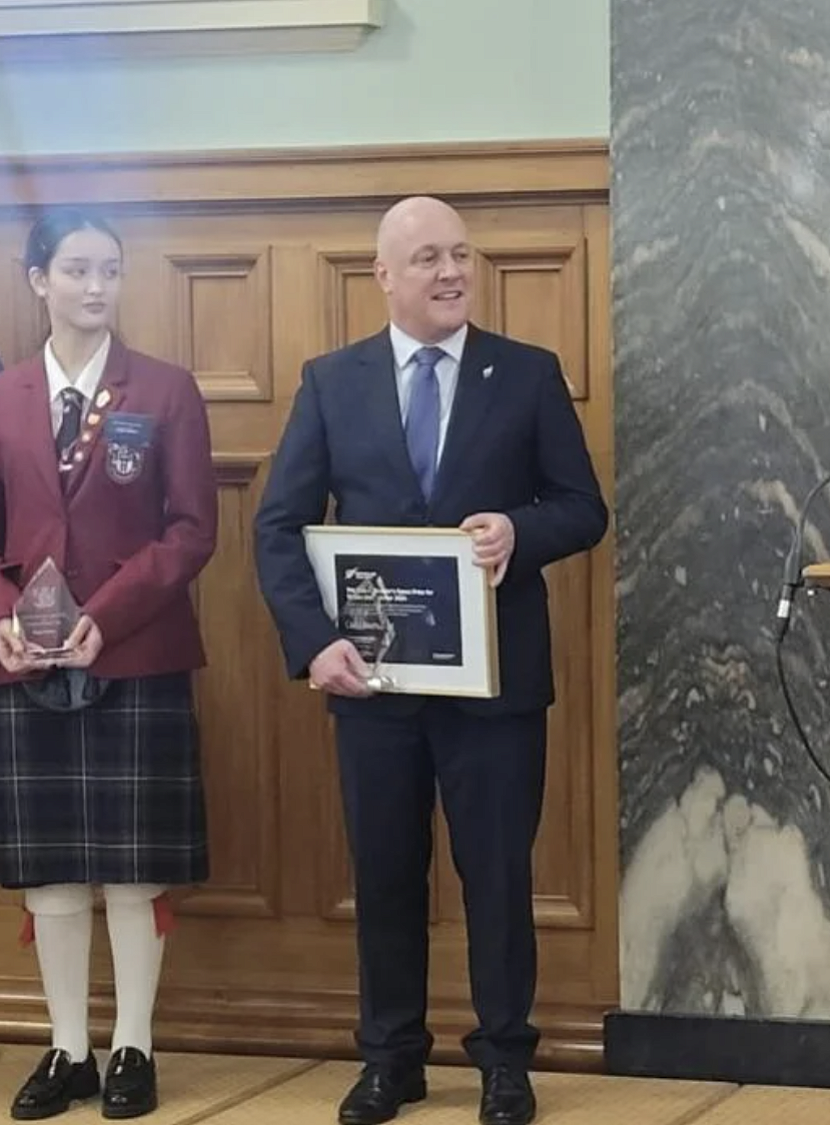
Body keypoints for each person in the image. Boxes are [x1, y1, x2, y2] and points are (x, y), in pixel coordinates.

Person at [251, 196, 607, 1125]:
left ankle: (504, 1060)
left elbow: (583, 507)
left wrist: (517, 531)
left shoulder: (526, 373)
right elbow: (279, 525)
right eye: (428, 258)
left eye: (460, 254)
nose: (452, 272)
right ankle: (391, 1058)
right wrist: (313, 642)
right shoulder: (332, 382)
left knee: (498, 877)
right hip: (372, 687)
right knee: (384, 875)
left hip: (496, 687)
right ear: (383, 276)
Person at [0, 209, 218, 1120]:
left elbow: (192, 530)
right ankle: (68, 1047)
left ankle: (133, 1045)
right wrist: (0, 620)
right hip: (25, 664)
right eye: (78, 268)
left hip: (138, 653)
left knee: (132, 866)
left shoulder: (165, 389)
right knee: (48, 870)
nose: (96, 286)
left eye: (110, 270)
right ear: (38, 279)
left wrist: (104, 616)